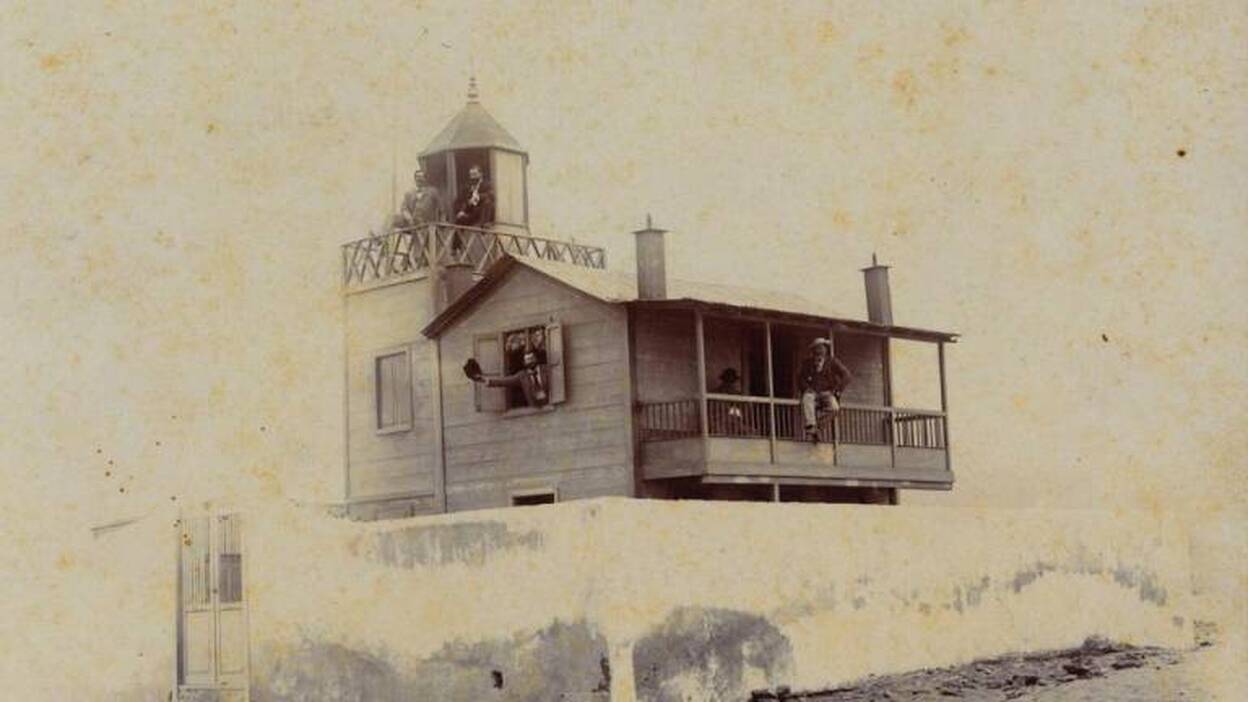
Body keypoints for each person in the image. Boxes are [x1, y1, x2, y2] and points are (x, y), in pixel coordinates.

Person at [798, 338, 852, 442]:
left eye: (822, 348)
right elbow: (800, 378)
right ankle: (811, 425)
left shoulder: (832, 362)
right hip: (812, 393)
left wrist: (837, 390)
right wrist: (806, 388)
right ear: (813, 351)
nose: (819, 352)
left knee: (835, 408)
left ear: (825, 350)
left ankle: (818, 425)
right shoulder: (807, 363)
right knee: (807, 399)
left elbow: (847, 375)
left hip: (827, 393)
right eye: (817, 349)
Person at [465, 350, 553, 408]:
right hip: (535, 411)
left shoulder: (547, 369)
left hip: (551, 407)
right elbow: (504, 381)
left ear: (536, 359)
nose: (530, 362)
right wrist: (483, 379)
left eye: (531, 358)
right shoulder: (522, 376)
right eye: (527, 360)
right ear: (524, 362)